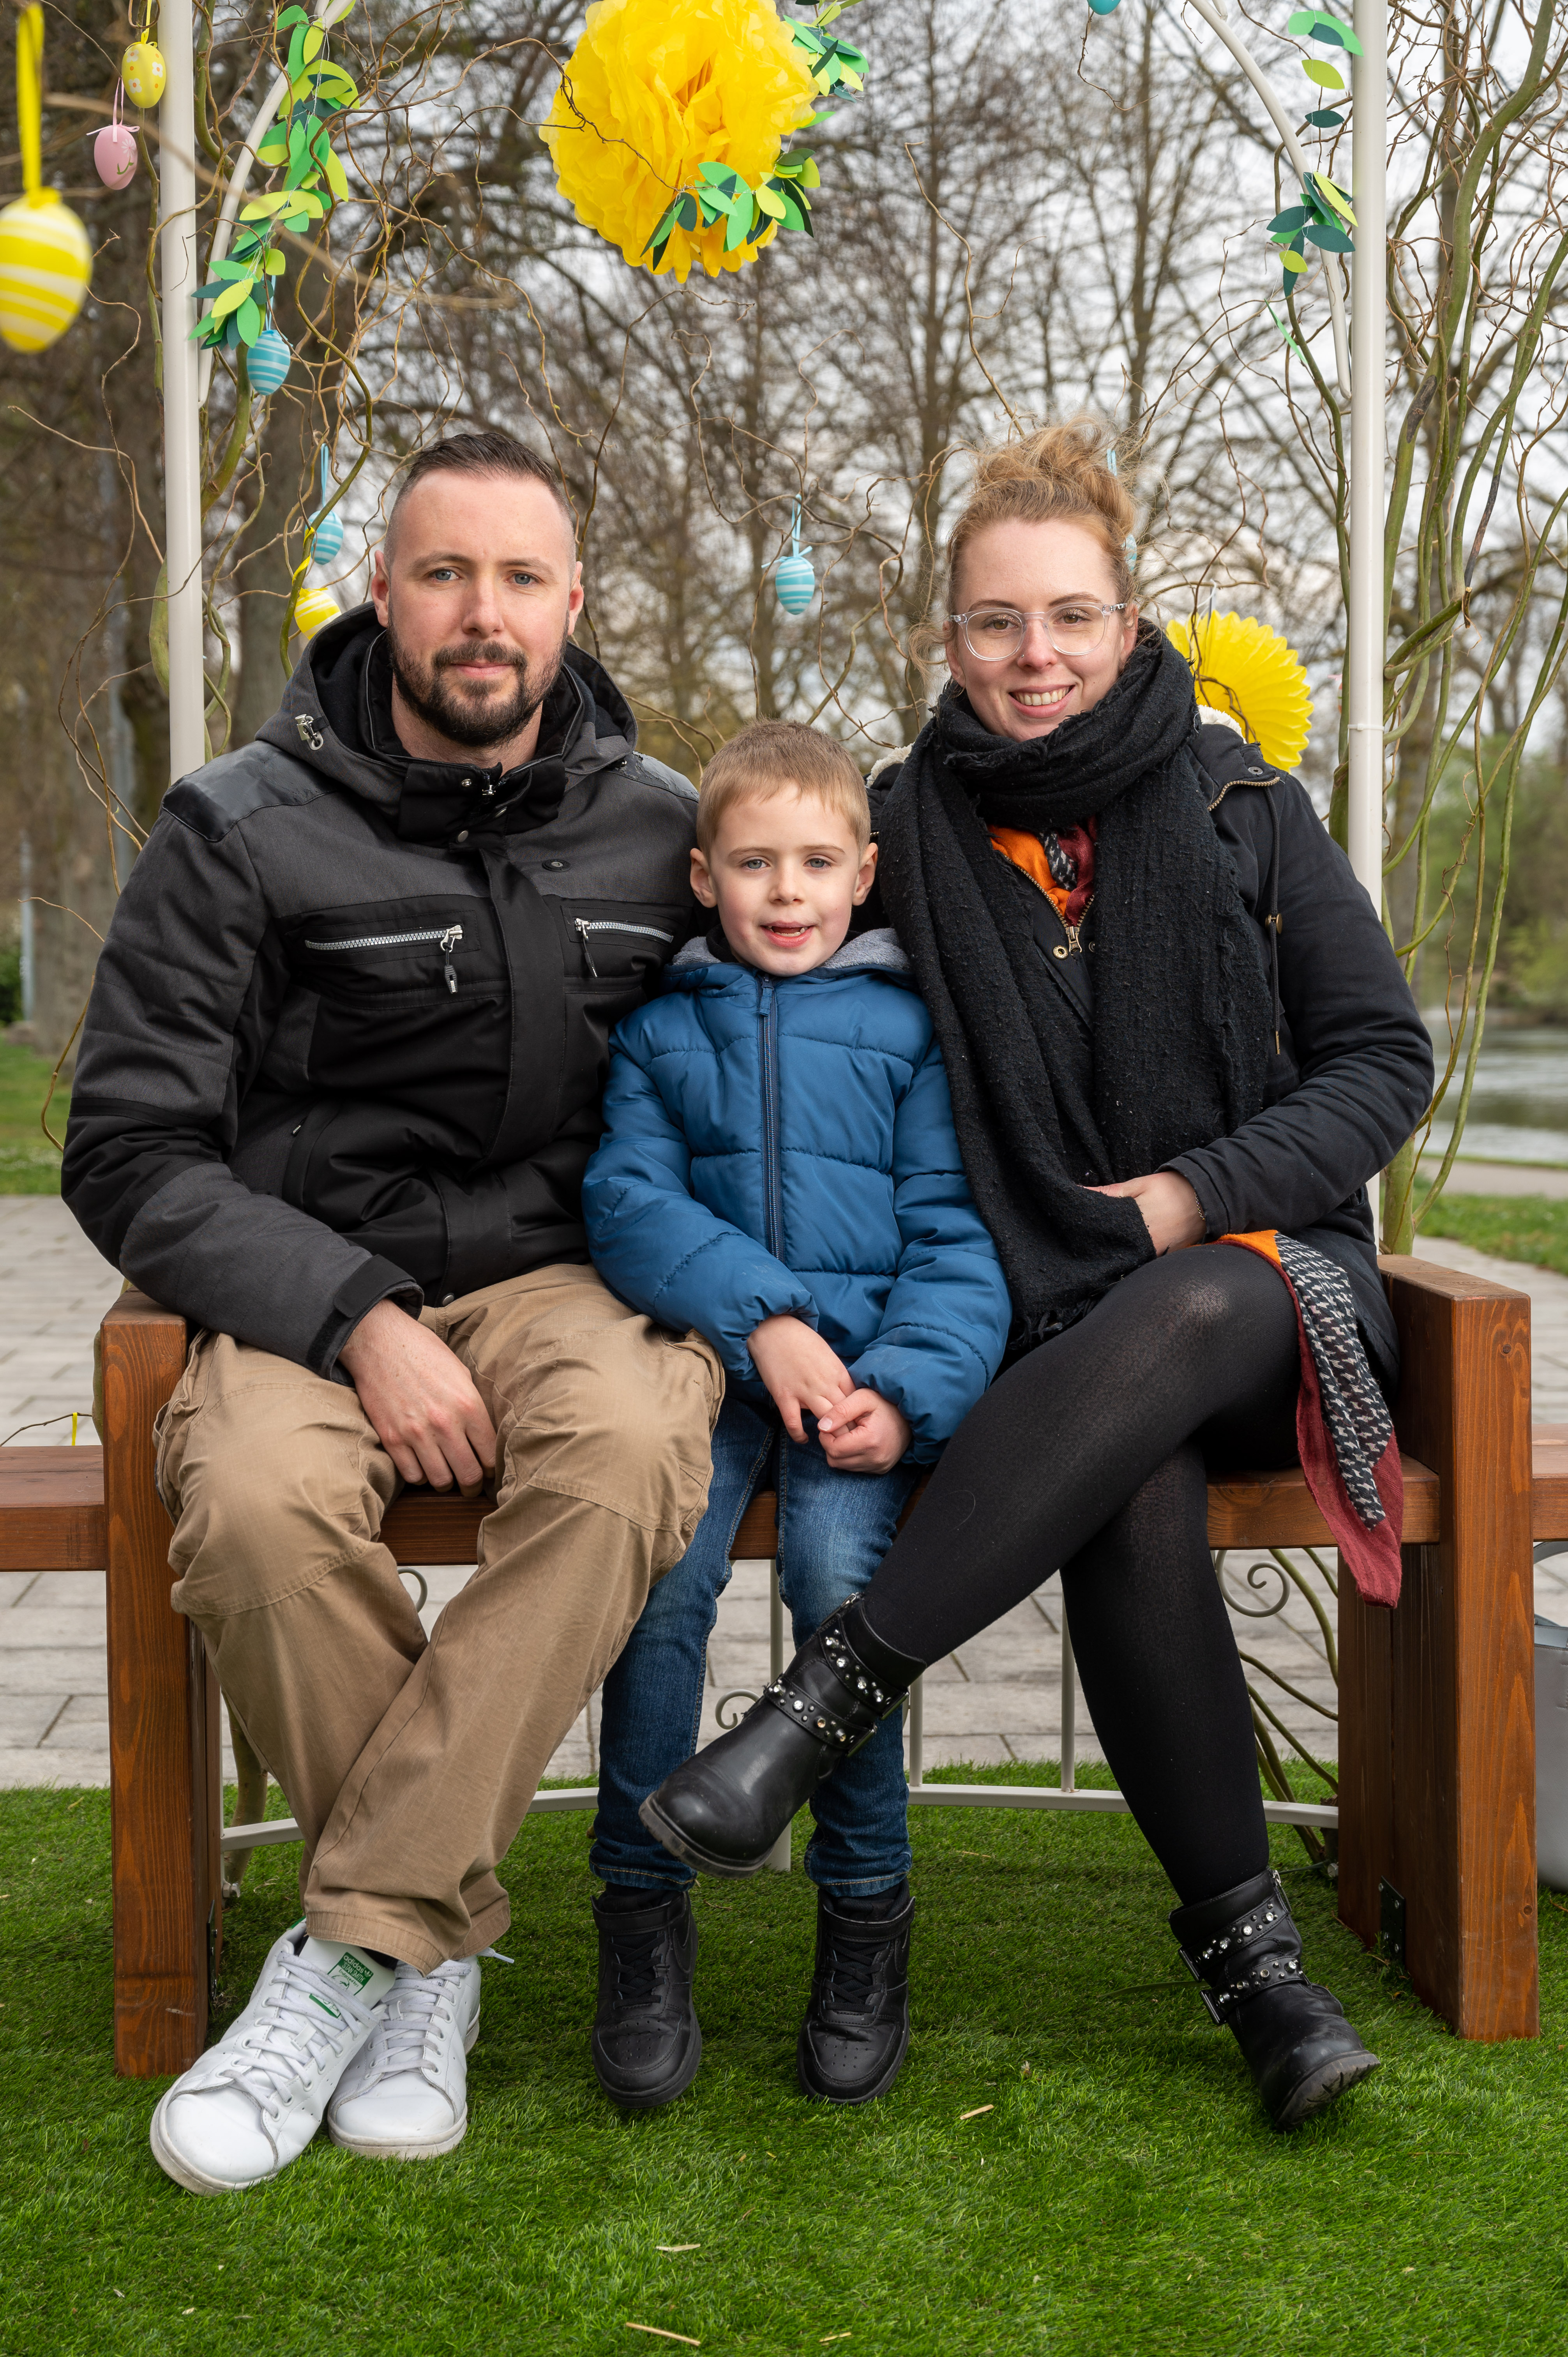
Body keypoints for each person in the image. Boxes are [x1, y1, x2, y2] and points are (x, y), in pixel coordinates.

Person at [637, 422, 1436, 2134]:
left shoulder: (1243, 809)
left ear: (1129, 626)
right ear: (950, 637)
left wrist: (1187, 1197)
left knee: (1195, 1293)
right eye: (997, 622)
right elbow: (784, 1025)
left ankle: (821, 1703)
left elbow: (1381, 1063)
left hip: (1272, 1299)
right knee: (1130, 1473)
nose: (1036, 656)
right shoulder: (898, 834)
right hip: (1057, 1336)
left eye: (1071, 617)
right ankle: (1263, 1987)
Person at [62, 431, 722, 2193]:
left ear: (574, 604)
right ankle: (426, 1959)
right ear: (382, 592)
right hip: (304, 1279)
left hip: (571, 1276)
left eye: (520, 578)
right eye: (444, 574)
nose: (482, 614)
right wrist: (354, 1316)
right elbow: (124, 1147)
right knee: (256, 1507)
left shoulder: (666, 832)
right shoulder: (236, 825)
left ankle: (356, 1948)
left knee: (632, 1444)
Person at [578, 722, 1012, 2109]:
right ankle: (641, 1916)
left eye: (818, 863)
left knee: (839, 1585)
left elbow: (957, 1235)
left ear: (864, 875)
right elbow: (628, 1206)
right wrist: (760, 1315)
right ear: (703, 877)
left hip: (862, 1383)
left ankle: (865, 1917)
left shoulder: (910, 1032)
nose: (787, 891)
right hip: (713, 1370)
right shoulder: (661, 1031)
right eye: (755, 863)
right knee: (661, 1585)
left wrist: (907, 1391)